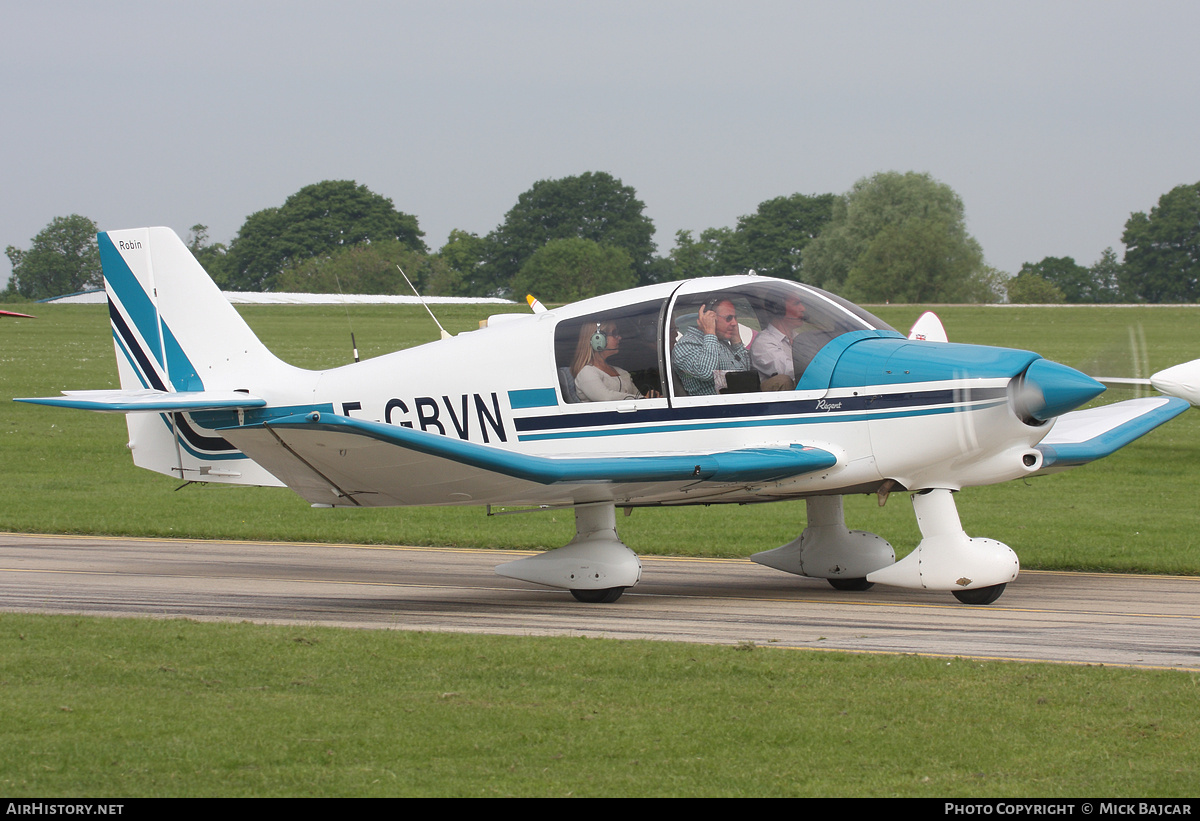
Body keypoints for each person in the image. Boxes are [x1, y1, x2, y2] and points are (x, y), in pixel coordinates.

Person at [672, 298, 752, 395]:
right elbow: (706, 373)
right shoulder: (685, 345)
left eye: (735, 318)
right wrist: (709, 332)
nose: (734, 323)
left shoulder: (721, 342)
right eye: (729, 318)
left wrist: (736, 341)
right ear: (710, 318)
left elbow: (747, 372)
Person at [570, 321, 654, 402]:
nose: (619, 337)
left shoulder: (621, 372)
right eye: (614, 333)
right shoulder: (586, 372)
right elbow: (606, 397)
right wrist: (642, 399)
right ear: (598, 340)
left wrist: (650, 398)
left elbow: (637, 396)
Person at [750, 295, 806, 391]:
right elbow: (789, 370)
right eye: (796, 304)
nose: (803, 309)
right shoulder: (763, 343)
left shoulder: (799, 338)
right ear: (779, 309)